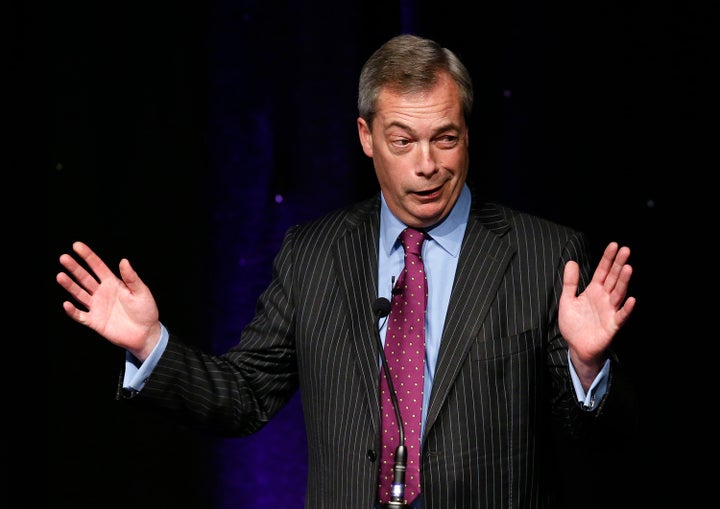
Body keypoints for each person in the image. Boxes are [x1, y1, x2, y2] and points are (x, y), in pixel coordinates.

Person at [56, 34, 637, 508]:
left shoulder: (544, 254)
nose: (427, 165)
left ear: (467, 138)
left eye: (446, 139)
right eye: (403, 141)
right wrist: (151, 344)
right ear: (366, 138)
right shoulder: (313, 255)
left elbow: (590, 444)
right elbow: (244, 397)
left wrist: (586, 365)